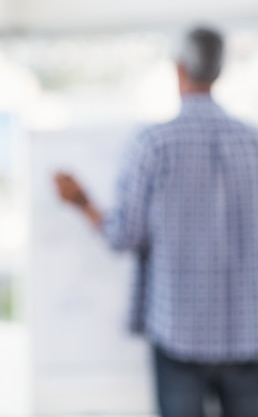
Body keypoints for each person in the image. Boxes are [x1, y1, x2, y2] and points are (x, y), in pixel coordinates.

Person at [54, 26, 258, 417]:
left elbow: (122, 236)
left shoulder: (153, 145)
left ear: (179, 69)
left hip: (179, 333)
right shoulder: (253, 142)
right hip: (250, 337)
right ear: (219, 71)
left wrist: (81, 201)